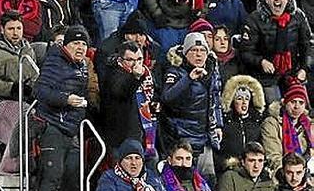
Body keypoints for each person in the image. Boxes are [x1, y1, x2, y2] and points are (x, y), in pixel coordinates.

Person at [33, 25, 90, 191]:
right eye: (76, 43)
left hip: (71, 128)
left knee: (73, 178)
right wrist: (65, 99)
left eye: (83, 44)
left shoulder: (83, 66)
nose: (80, 48)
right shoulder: (55, 61)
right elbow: (40, 90)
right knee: (52, 174)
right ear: (65, 45)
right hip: (51, 125)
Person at [0, 9, 39, 175]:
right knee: (22, 113)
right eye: (11, 29)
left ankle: (33, 163)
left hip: (22, 99)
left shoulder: (28, 50)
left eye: (18, 28)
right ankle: (10, 164)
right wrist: (11, 88)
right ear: (2, 29)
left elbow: (33, 76)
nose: (15, 33)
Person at [237, 0, 312, 103]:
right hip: (266, 77)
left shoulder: (298, 17)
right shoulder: (254, 19)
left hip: (292, 73)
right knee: (274, 107)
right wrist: (261, 61)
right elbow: (245, 52)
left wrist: (304, 68)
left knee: (302, 108)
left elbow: (307, 46)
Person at [159, 32, 223, 169]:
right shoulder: (175, 71)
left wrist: (218, 124)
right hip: (181, 138)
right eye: (194, 50)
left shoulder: (212, 71)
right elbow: (167, 97)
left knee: (207, 182)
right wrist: (188, 79)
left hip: (206, 137)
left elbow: (216, 99)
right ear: (185, 53)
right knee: (182, 181)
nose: (198, 54)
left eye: (202, 50)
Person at [95, 40, 159, 157]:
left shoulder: (146, 74)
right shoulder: (112, 74)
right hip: (121, 140)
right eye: (130, 60)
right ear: (120, 60)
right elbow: (121, 91)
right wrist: (135, 77)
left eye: (139, 59)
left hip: (144, 136)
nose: (136, 64)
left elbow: (155, 93)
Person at [215, 75, 265, 175]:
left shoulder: (256, 123)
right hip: (228, 171)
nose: (244, 103)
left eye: (247, 98)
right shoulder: (225, 123)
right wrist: (225, 164)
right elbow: (217, 151)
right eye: (239, 98)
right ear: (232, 101)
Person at [261, 83, 314, 176]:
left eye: (301, 103)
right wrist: (293, 174)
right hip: (283, 173)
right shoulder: (271, 123)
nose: (297, 107)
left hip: (306, 171)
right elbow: (273, 156)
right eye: (293, 102)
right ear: (285, 102)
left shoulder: (308, 124)